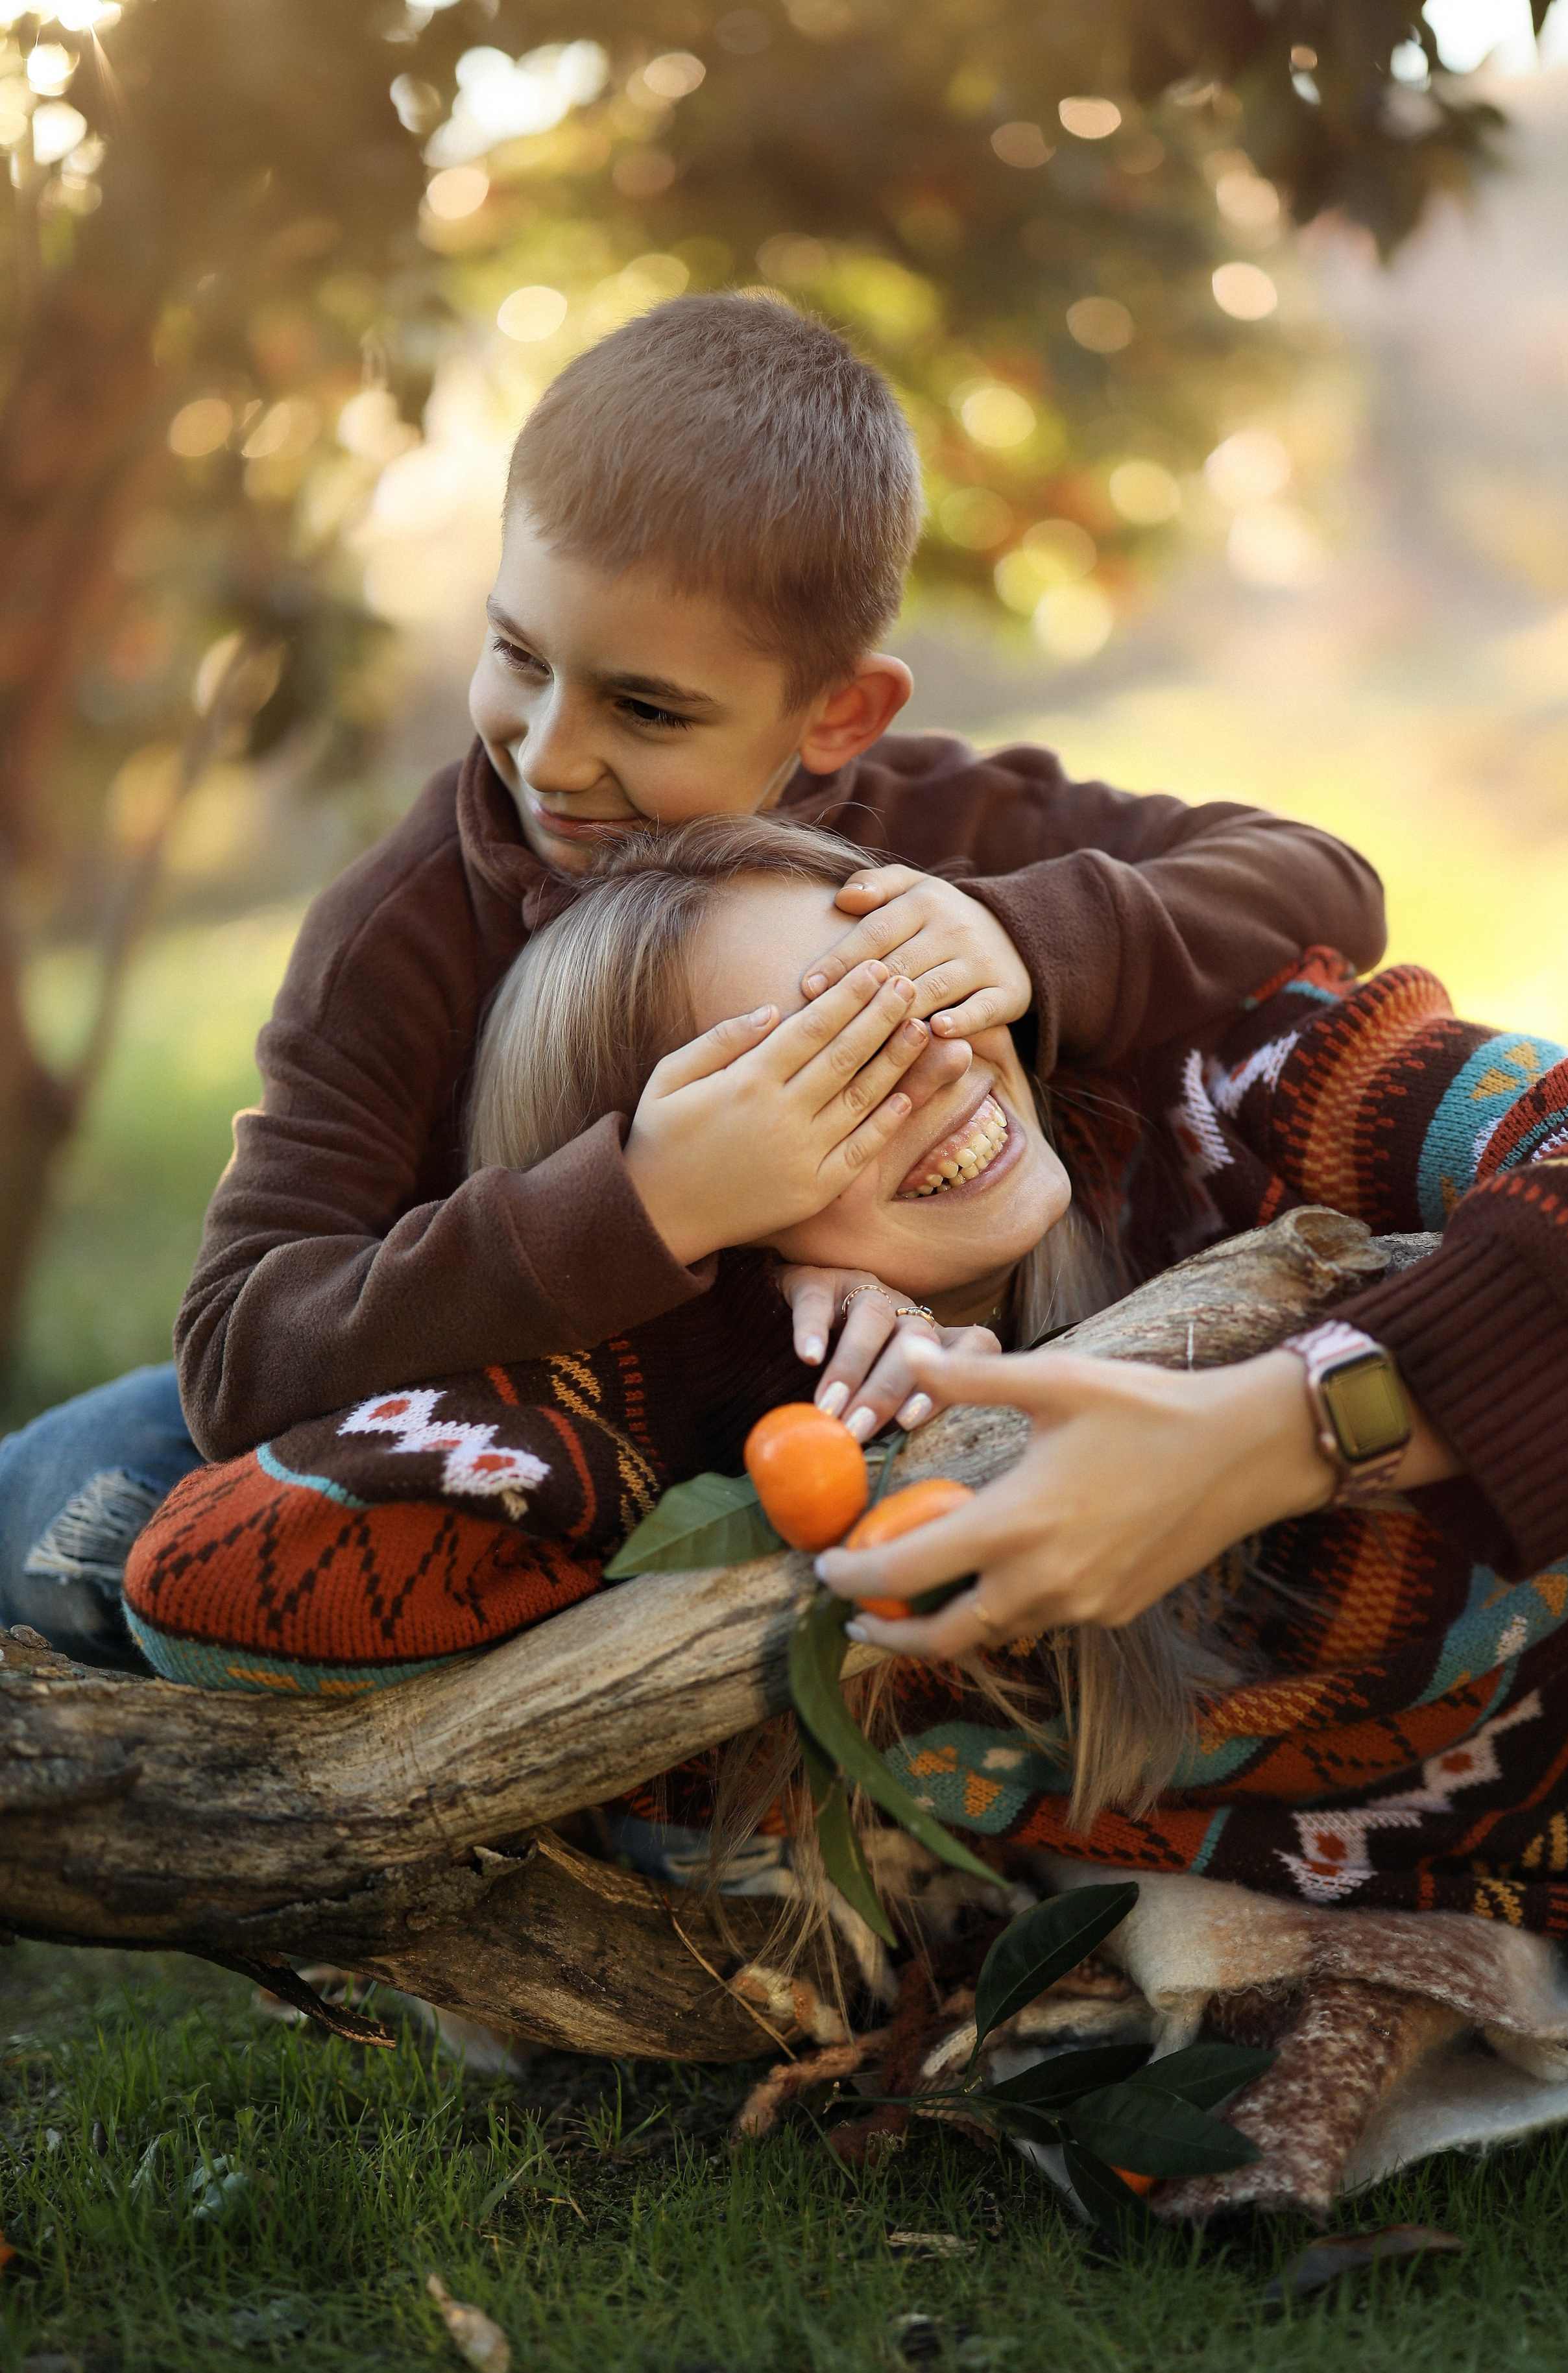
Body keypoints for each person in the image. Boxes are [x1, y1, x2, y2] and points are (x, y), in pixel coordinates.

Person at [0, 292, 1384, 1671]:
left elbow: (1317, 877)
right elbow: (240, 1350)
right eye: (517, 657)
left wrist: (1026, 937)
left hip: (786, 1438)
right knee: (113, 1502)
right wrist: (650, 1202)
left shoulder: (929, 829)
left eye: (644, 708)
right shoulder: (398, 937)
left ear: (836, 714)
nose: (547, 755)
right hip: (456, 1421)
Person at [125, 821, 1568, 1953]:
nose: (922, 1072)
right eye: (813, 1086)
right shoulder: (790, 1496)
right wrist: (699, 1296)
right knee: (90, 1484)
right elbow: (231, 1595)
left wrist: (1287, 1429)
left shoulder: (1226, 1093)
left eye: (899, 991)